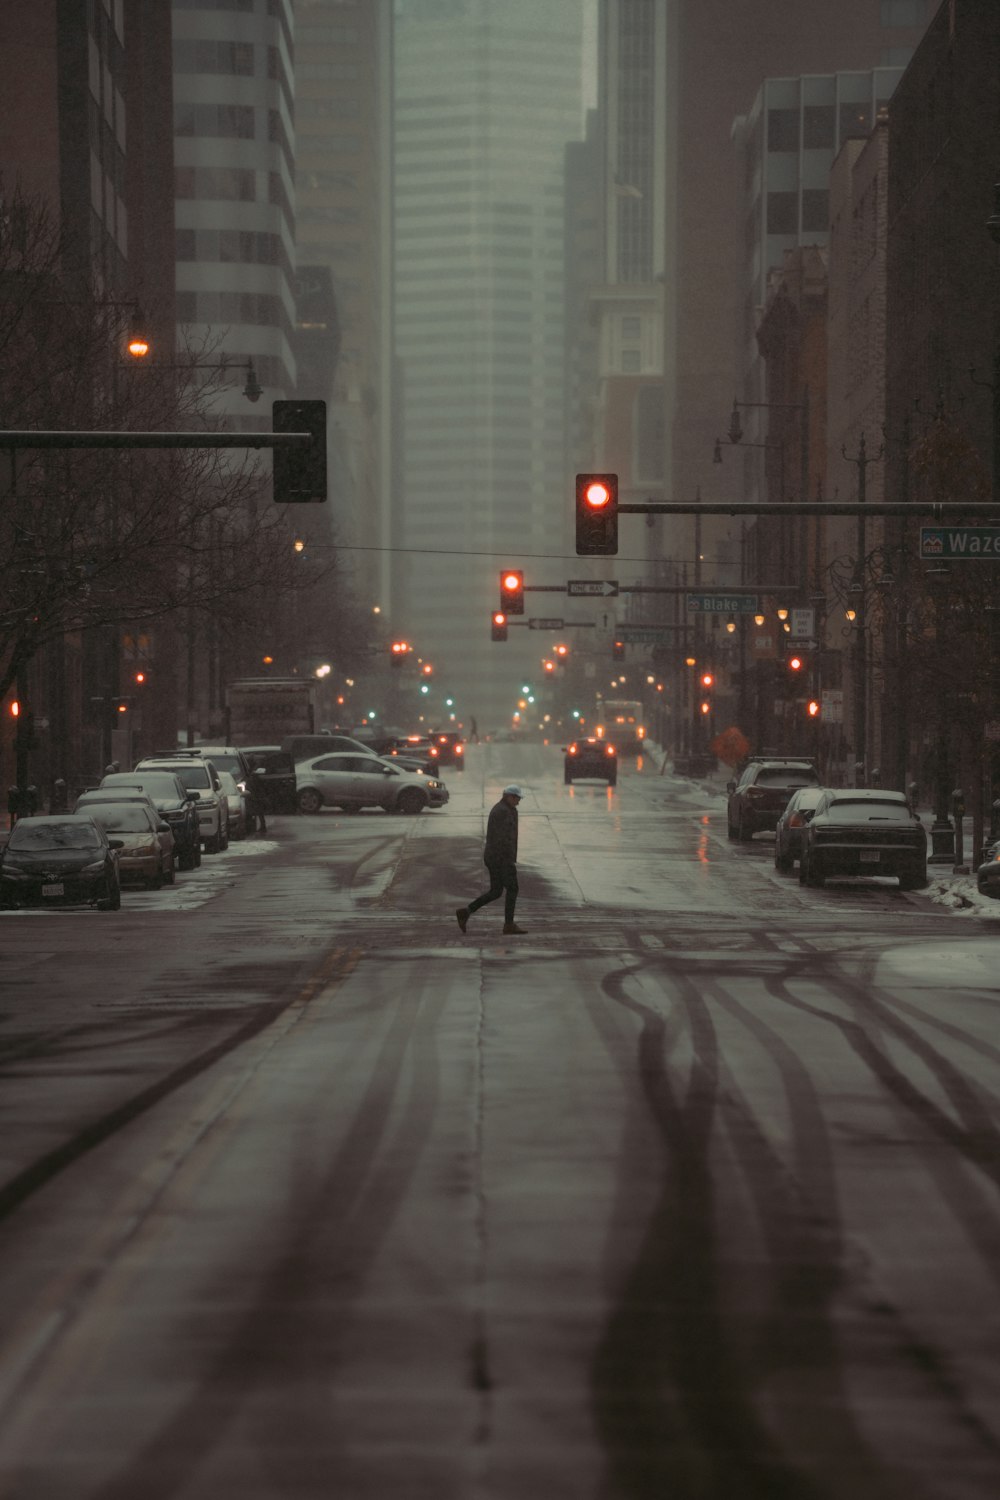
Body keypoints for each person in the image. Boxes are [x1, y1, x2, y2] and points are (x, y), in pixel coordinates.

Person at [456, 784, 525, 935]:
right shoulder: (503, 812)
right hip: (500, 858)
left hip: (495, 857)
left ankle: (466, 912)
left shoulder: (506, 810)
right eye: (517, 798)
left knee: (496, 891)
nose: (518, 801)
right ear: (508, 796)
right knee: (512, 889)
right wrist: (508, 861)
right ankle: (509, 925)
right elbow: (503, 838)